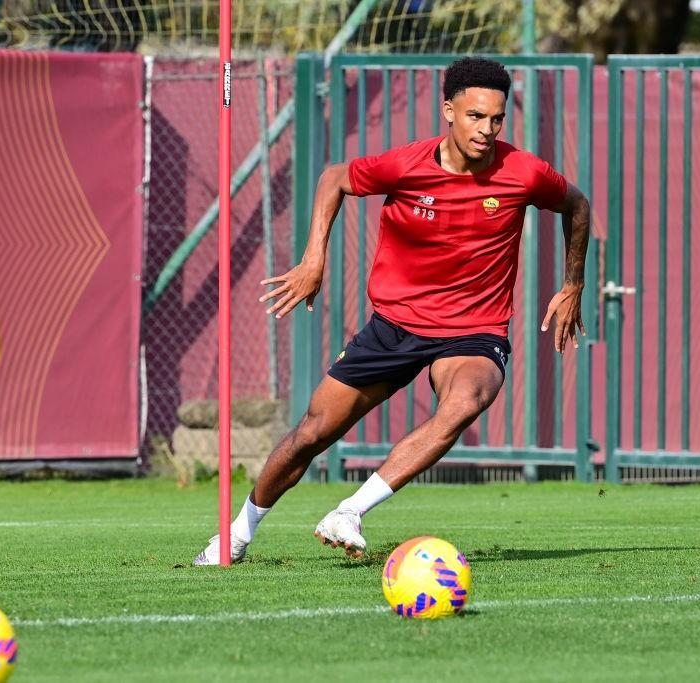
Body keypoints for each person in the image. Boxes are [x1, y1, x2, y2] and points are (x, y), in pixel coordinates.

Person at [194, 56, 590, 565]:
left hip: (473, 331)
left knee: (466, 400)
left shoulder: (523, 172)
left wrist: (572, 283)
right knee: (312, 433)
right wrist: (314, 258)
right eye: (475, 116)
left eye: (496, 119)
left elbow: (576, 205)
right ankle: (236, 536)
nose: (487, 130)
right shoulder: (406, 166)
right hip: (395, 325)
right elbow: (335, 179)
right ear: (448, 110)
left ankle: (350, 512)